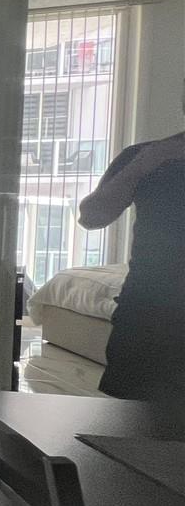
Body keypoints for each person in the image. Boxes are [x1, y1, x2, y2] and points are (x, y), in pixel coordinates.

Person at [77, 130, 185, 402]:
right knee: (130, 424)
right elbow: (92, 216)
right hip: (148, 310)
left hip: (147, 309)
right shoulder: (148, 154)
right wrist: (143, 165)